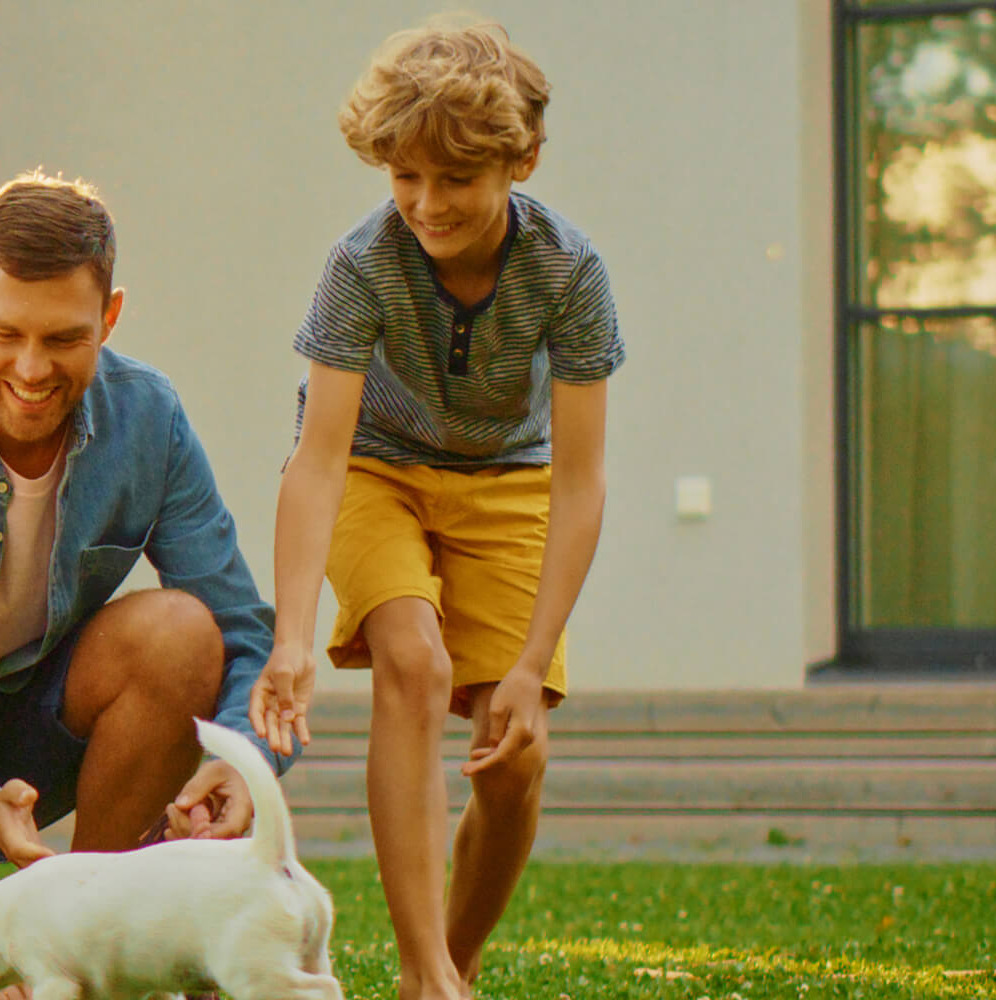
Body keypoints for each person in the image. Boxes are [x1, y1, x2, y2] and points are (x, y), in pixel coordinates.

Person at [0, 170, 294, 999]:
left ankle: (96, 936)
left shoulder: (148, 419)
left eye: (64, 339)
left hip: (30, 727)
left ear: (110, 318)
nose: (31, 369)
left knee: (181, 632)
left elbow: (241, 629)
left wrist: (243, 761)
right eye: (5, 333)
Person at [244, 18, 622, 1000]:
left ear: (521, 159)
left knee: (511, 761)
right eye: (404, 176)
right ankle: (425, 971)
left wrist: (533, 664)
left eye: (454, 179)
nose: (425, 203)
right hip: (377, 467)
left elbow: (580, 481)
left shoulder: (569, 270)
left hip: (510, 481)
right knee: (412, 659)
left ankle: (449, 962)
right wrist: (291, 636)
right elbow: (318, 459)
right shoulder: (363, 263)